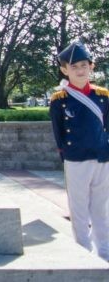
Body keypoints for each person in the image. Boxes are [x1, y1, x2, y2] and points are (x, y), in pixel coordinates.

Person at [50, 41, 109, 261]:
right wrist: (65, 155)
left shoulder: (103, 95)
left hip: (102, 156)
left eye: (84, 65)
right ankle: (83, 251)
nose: (80, 70)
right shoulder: (60, 100)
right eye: (74, 67)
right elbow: (59, 132)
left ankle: (104, 252)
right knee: (79, 208)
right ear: (65, 70)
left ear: (91, 67)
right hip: (76, 159)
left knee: (102, 208)